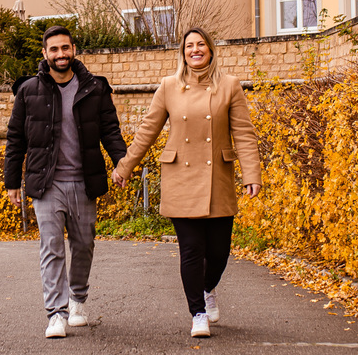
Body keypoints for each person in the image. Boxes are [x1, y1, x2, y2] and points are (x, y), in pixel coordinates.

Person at [112, 27, 262, 338]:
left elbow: (244, 134)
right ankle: (198, 313)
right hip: (180, 177)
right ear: (183, 53)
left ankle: (207, 288)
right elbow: (148, 131)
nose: (195, 50)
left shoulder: (230, 86)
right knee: (192, 250)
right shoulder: (169, 86)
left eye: (201, 44)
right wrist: (125, 167)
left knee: (219, 252)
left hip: (217, 177)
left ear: (210, 50)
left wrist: (252, 174)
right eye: (189, 46)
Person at [5, 25, 128, 339]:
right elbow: (15, 139)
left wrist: (122, 163)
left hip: (84, 182)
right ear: (44, 54)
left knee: (84, 245)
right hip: (46, 183)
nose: (60, 54)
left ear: (73, 50)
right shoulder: (29, 90)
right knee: (52, 247)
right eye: (54, 49)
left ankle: (77, 299)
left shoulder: (95, 88)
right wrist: (12, 182)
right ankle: (56, 314)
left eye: (65, 48)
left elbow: (110, 131)